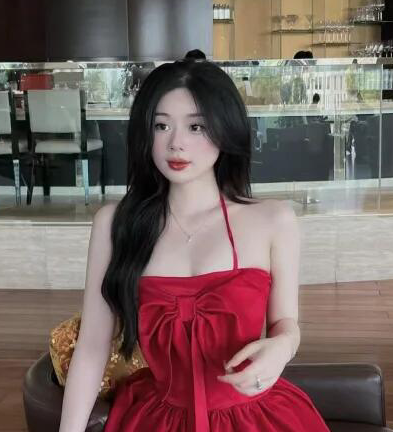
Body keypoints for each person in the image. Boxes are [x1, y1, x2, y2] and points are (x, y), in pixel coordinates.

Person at [58, 60, 329, 432]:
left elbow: (286, 323)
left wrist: (282, 347)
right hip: (157, 419)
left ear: (224, 129)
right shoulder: (115, 224)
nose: (176, 143)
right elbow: (91, 348)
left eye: (196, 126)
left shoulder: (273, 220)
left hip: (255, 418)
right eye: (161, 125)